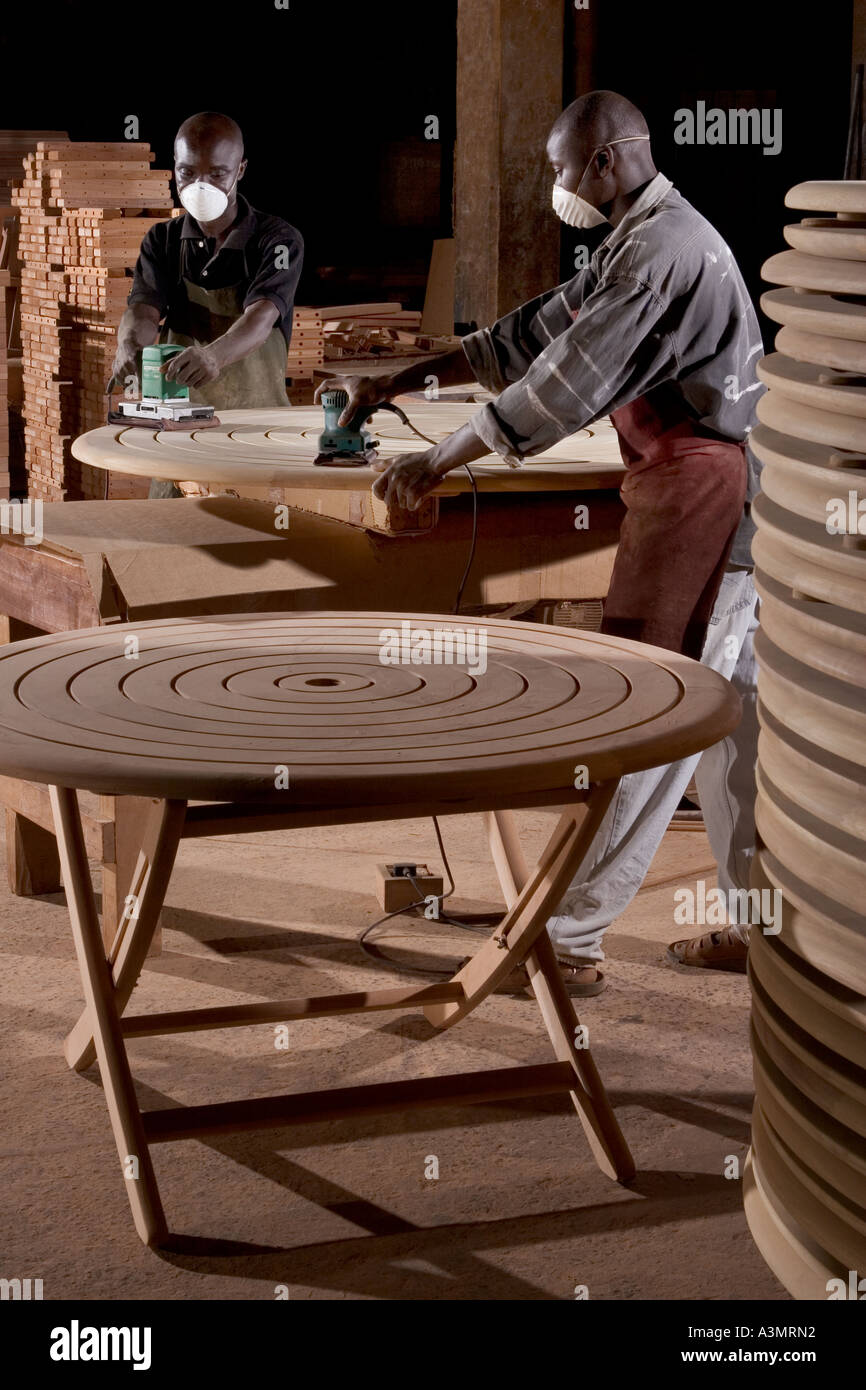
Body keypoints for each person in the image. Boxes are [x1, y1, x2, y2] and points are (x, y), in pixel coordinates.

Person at [318, 89, 764, 991]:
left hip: (705, 498)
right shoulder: (642, 237)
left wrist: (433, 463)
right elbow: (530, 334)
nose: (555, 184)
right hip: (724, 499)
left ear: (604, 161)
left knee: (654, 712)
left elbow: (557, 389)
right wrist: (406, 376)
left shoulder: (658, 255)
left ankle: (568, 941)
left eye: (561, 167)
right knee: (736, 736)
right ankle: (762, 928)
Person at [112, 111, 303, 497]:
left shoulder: (277, 240)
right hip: (178, 430)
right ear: (175, 171)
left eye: (216, 174)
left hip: (256, 431)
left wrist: (213, 356)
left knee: (254, 538)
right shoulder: (161, 241)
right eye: (187, 173)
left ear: (241, 169)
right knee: (168, 534)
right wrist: (129, 341)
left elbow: (262, 316)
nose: (200, 185)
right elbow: (145, 309)